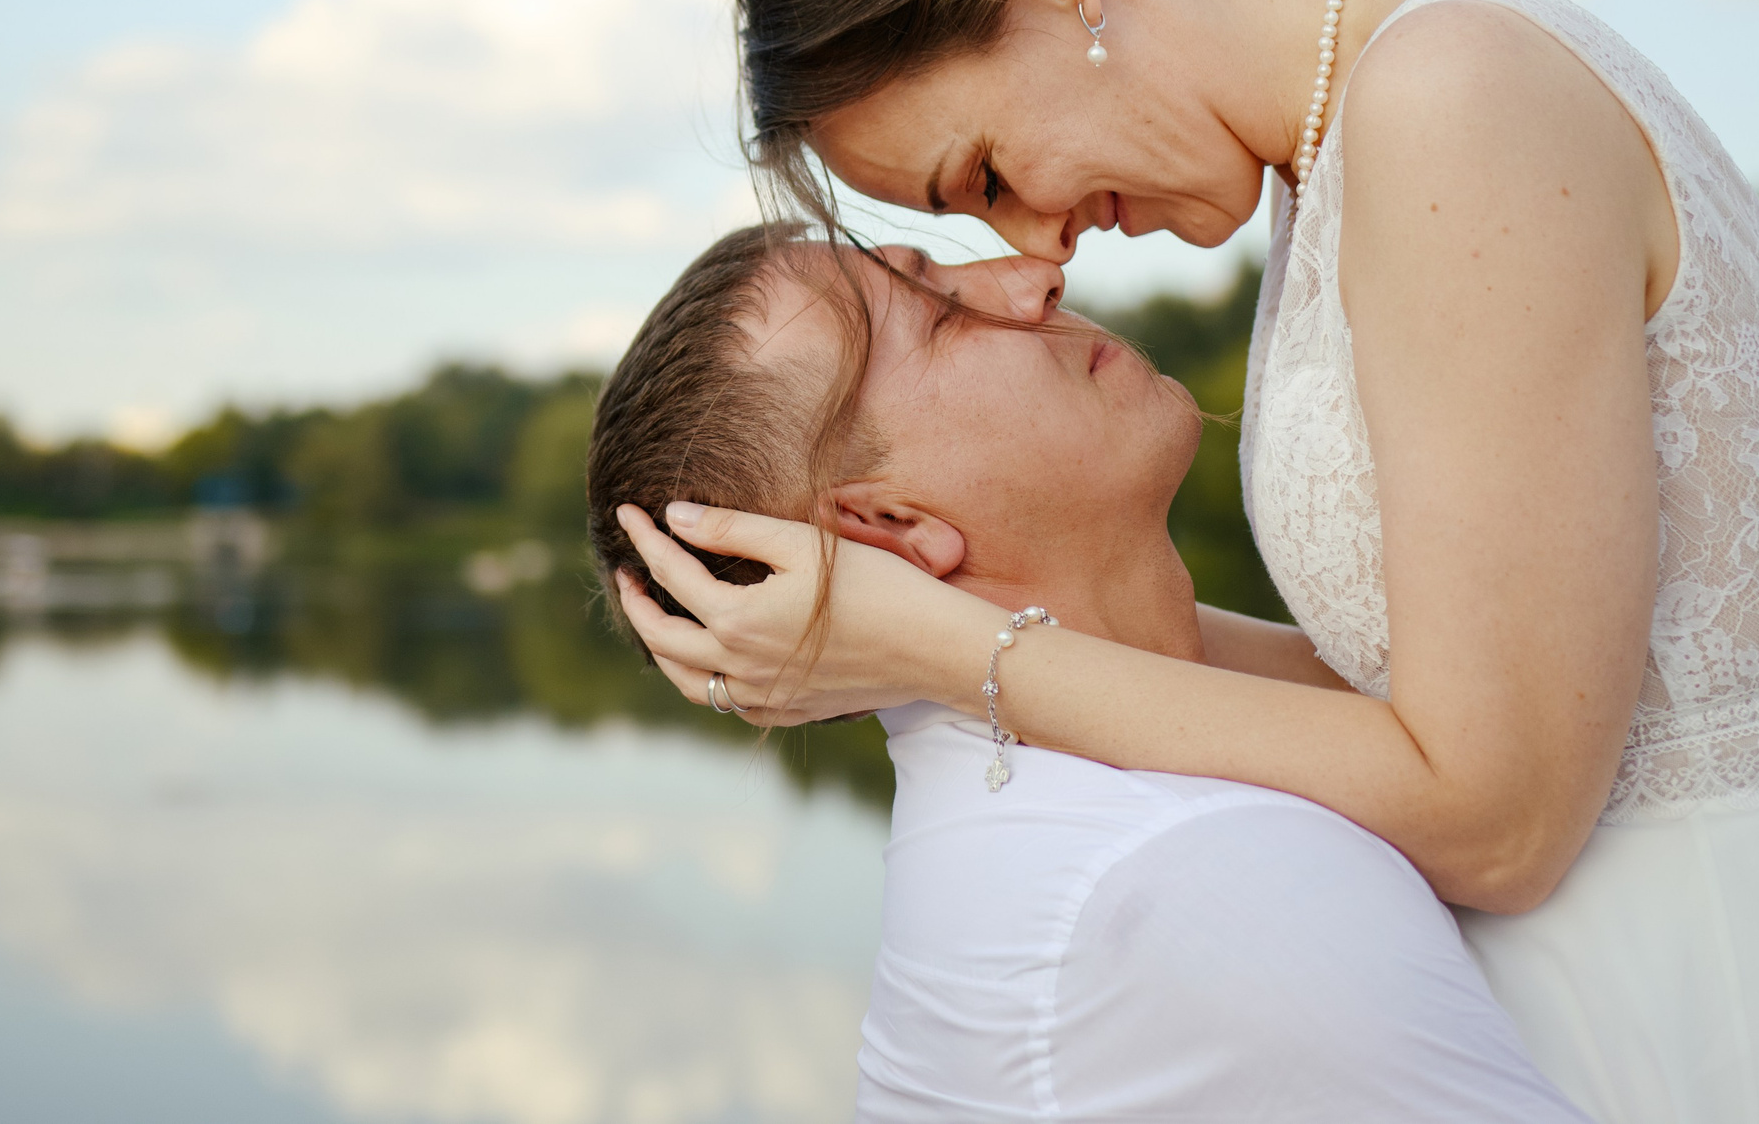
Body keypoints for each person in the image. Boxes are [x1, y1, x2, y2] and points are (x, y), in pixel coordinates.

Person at [608, 0, 1759, 1122]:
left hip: (1739, 1001)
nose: (1040, 249)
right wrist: (911, 646)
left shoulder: (1450, 100)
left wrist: (946, 648)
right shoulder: (1360, 131)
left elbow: (1502, 813)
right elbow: (1423, 686)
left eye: (987, 170)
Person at [586, 224, 1591, 1122]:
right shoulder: (1189, 881)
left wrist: (934, 635)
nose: (1034, 279)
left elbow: (1438, 716)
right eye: (937, 312)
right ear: (887, 526)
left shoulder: (1084, 800)